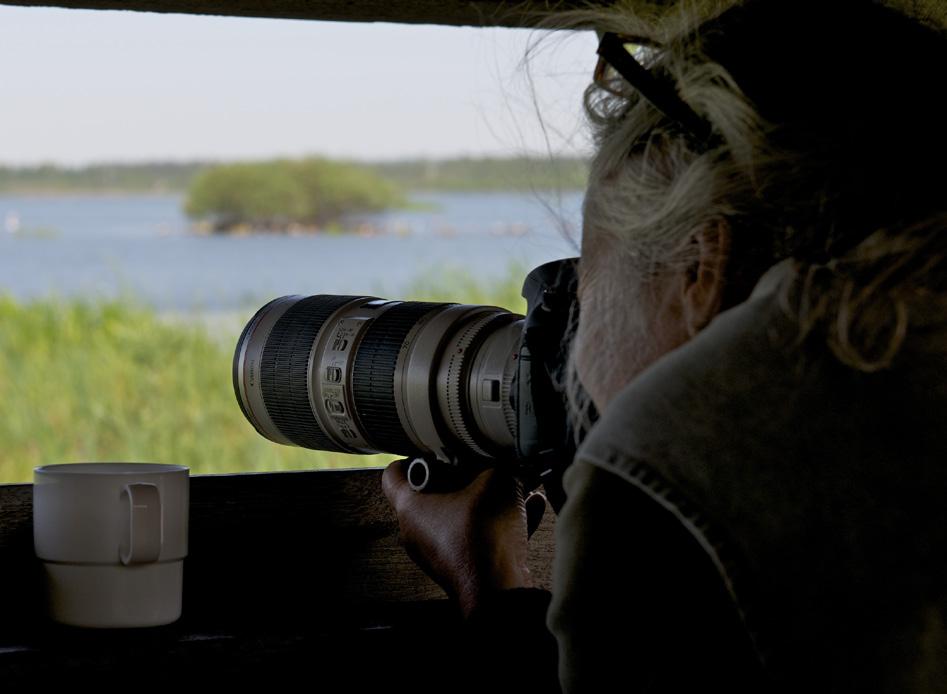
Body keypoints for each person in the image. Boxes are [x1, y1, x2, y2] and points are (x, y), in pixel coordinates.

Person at [383, 1, 947, 691]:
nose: (571, 352)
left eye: (588, 296)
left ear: (696, 269)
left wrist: (485, 580)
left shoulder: (671, 470)